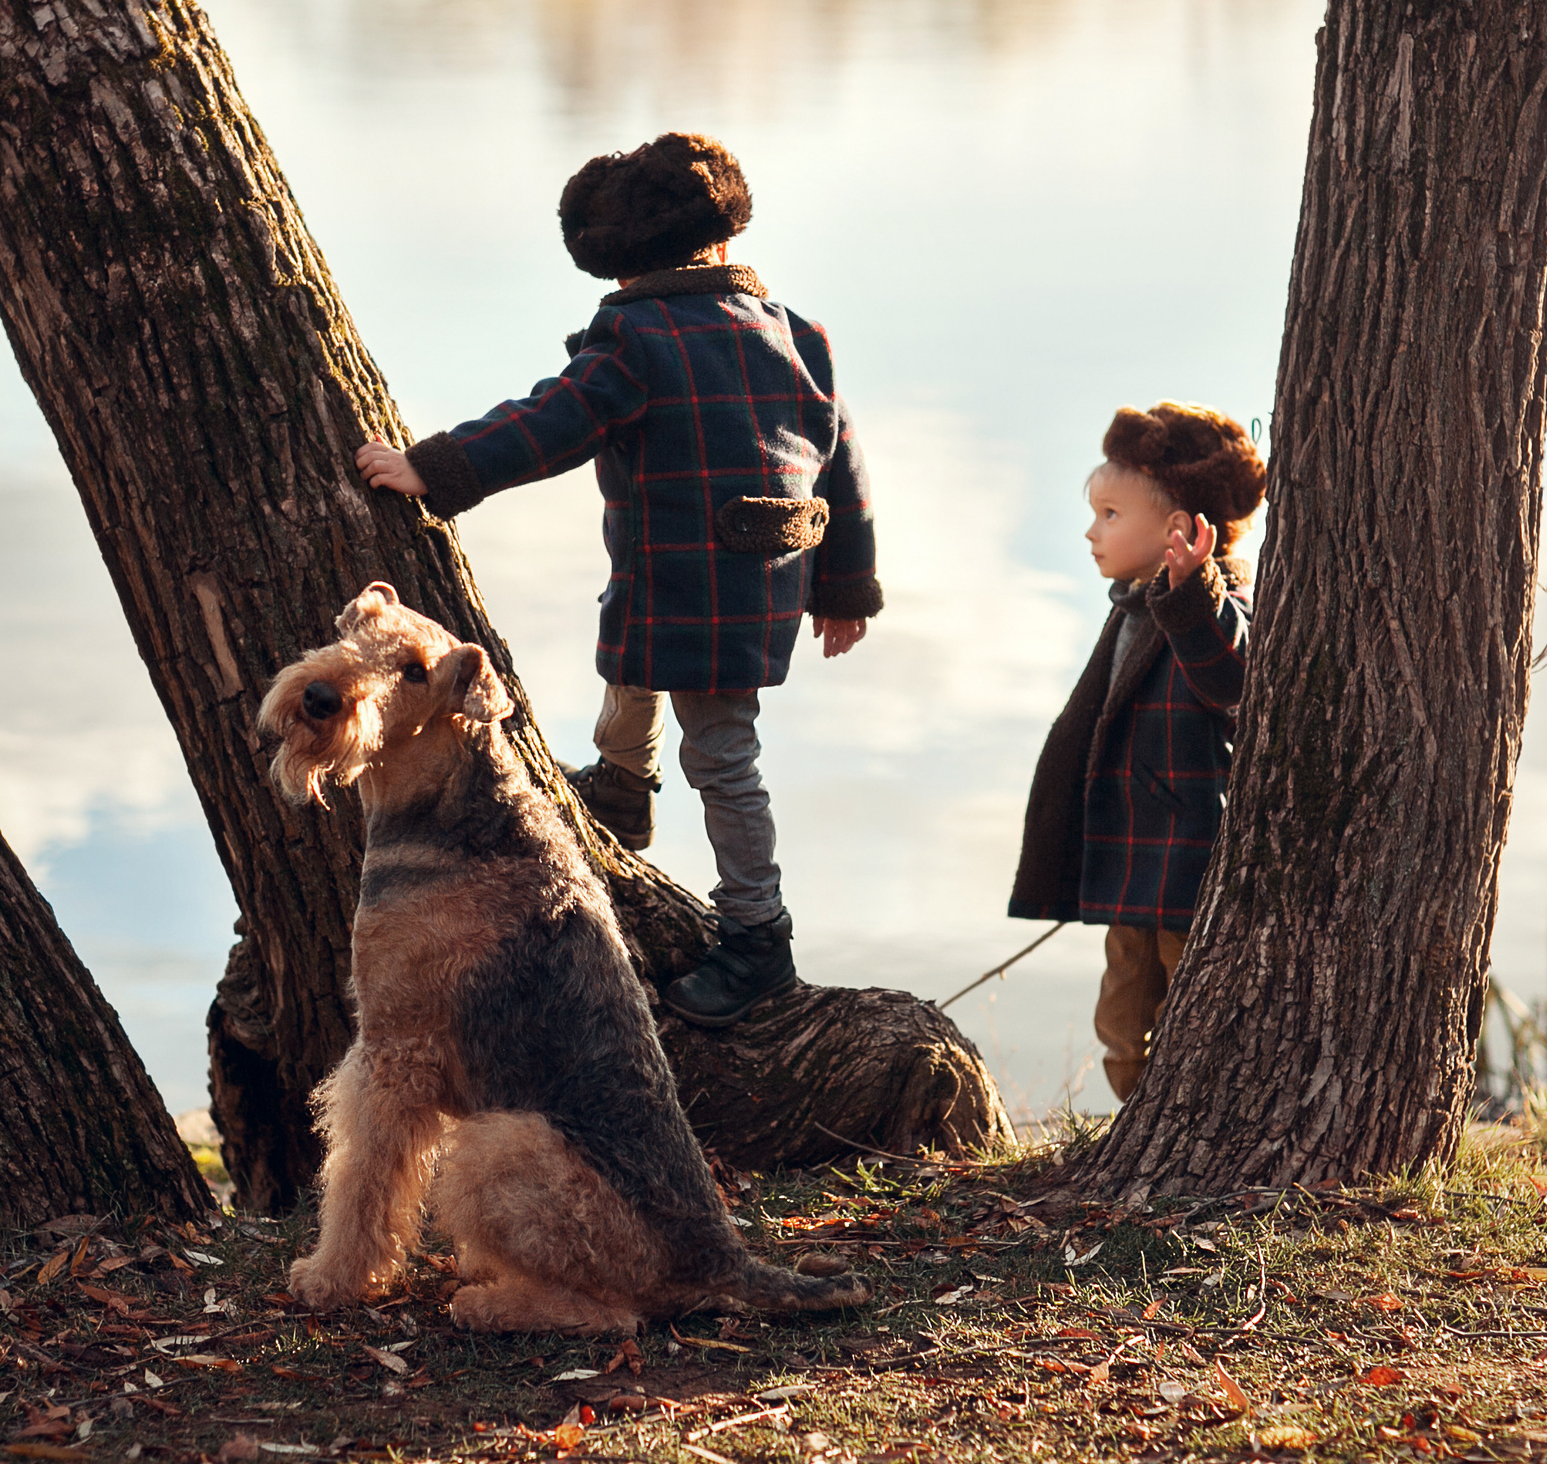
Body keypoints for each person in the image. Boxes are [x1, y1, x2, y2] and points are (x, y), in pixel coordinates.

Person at [353, 132, 883, 1028]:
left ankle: (758, 932)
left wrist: (431, 467)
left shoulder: (638, 337)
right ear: (723, 240)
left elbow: (550, 421)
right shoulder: (797, 333)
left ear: (623, 265)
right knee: (634, 665)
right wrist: (844, 587)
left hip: (686, 580)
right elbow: (844, 465)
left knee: (721, 754)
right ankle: (623, 790)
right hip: (755, 578)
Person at [1007, 403, 1265, 1100]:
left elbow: (1231, 675)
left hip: (1190, 854)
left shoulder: (1219, 600)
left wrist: (1196, 591)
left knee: (1193, 1003)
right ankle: (1137, 1115)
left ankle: (1198, 1112)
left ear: (1178, 530)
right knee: (1121, 1013)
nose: (1092, 531)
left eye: (1111, 514)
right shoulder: (1131, 603)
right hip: (1132, 850)